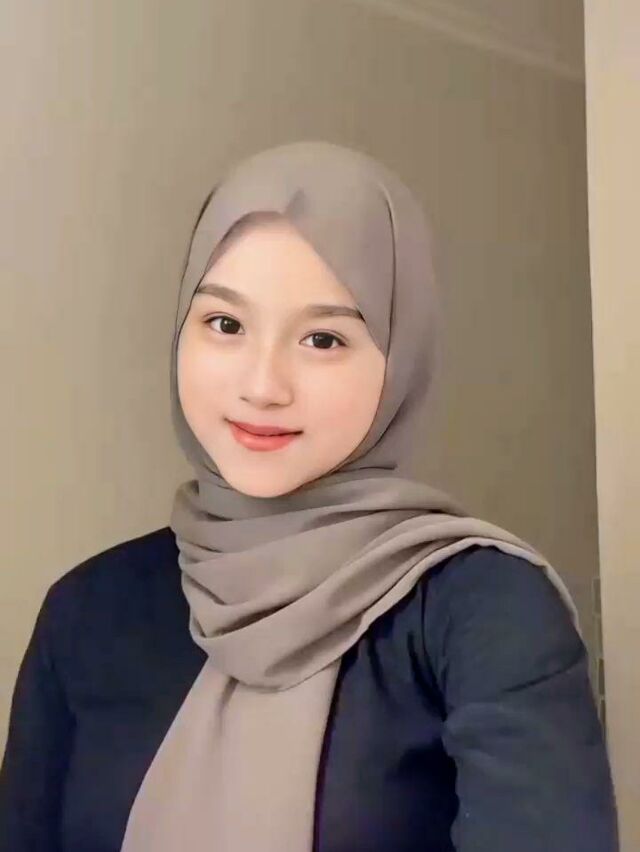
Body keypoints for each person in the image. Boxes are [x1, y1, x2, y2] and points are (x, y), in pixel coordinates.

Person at [0, 141, 618, 851]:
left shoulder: (485, 610)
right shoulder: (88, 612)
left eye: (323, 339)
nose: (263, 386)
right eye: (225, 325)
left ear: (400, 358)